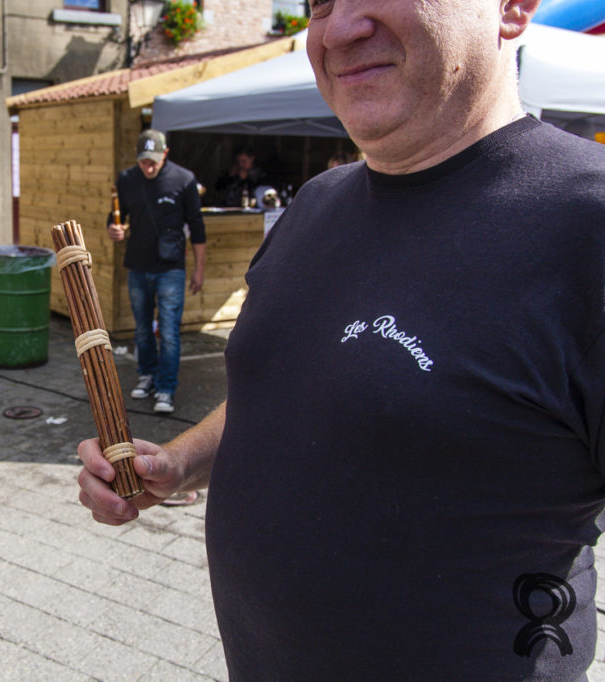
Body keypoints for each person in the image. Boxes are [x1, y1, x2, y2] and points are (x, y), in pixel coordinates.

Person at [78, 0, 605, 678]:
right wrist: (179, 463)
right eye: (320, 2)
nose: (339, 29)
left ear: (512, 7)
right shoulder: (315, 204)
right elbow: (282, 391)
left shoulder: (585, 225)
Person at [110, 129, 206, 414]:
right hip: (138, 266)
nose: (148, 167)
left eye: (153, 161)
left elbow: (197, 227)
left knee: (169, 331)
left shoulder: (184, 179)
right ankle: (147, 375)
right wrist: (114, 229)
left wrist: (199, 269)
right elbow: (116, 217)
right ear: (136, 156)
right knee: (142, 329)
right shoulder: (127, 179)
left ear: (165, 154)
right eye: (143, 161)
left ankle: (166, 388)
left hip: (170, 269)